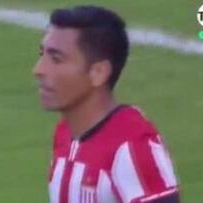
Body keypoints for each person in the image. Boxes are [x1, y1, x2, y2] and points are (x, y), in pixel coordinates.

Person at [33, 5, 180, 203]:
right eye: (42, 55)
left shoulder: (133, 146)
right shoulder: (65, 133)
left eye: (56, 59)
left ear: (98, 73)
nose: (39, 70)